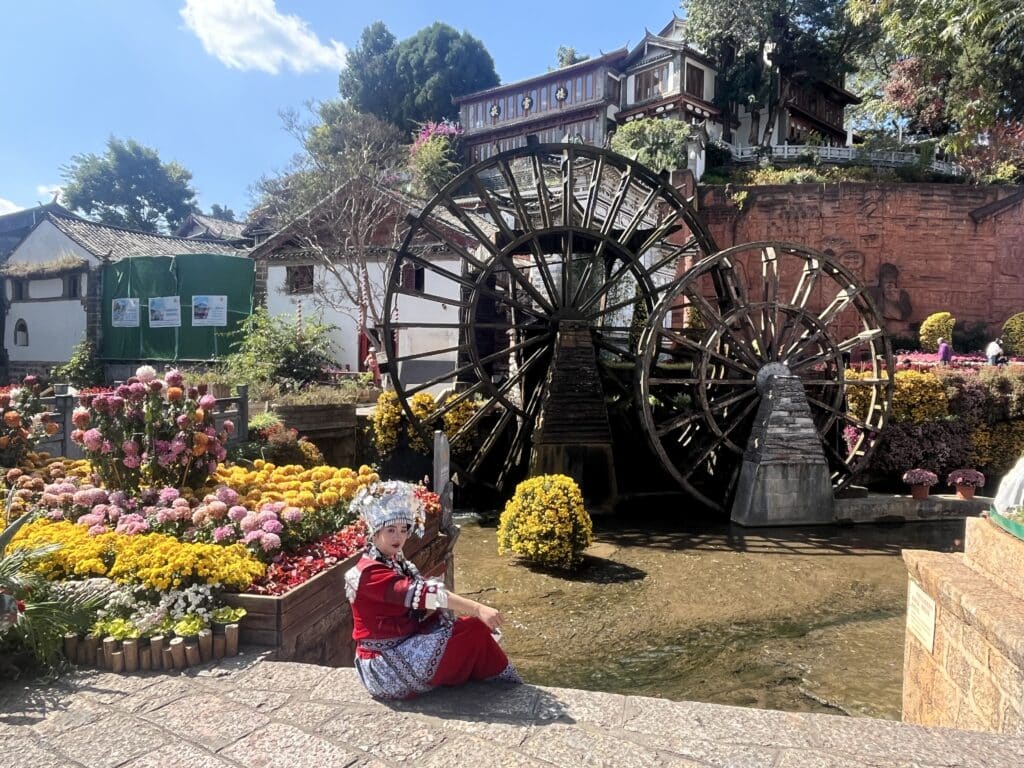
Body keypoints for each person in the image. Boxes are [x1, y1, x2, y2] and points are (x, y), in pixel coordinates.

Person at [345, 481, 521, 700]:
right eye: (391, 530)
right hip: (385, 666)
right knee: (473, 632)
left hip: (401, 645)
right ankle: (511, 688)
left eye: (403, 530)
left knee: (466, 628)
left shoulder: (393, 561)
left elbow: (423, 595)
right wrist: (478, 608)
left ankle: (501, 681)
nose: (398, 537)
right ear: (375, 532)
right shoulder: (371, 573)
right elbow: (426, 595)